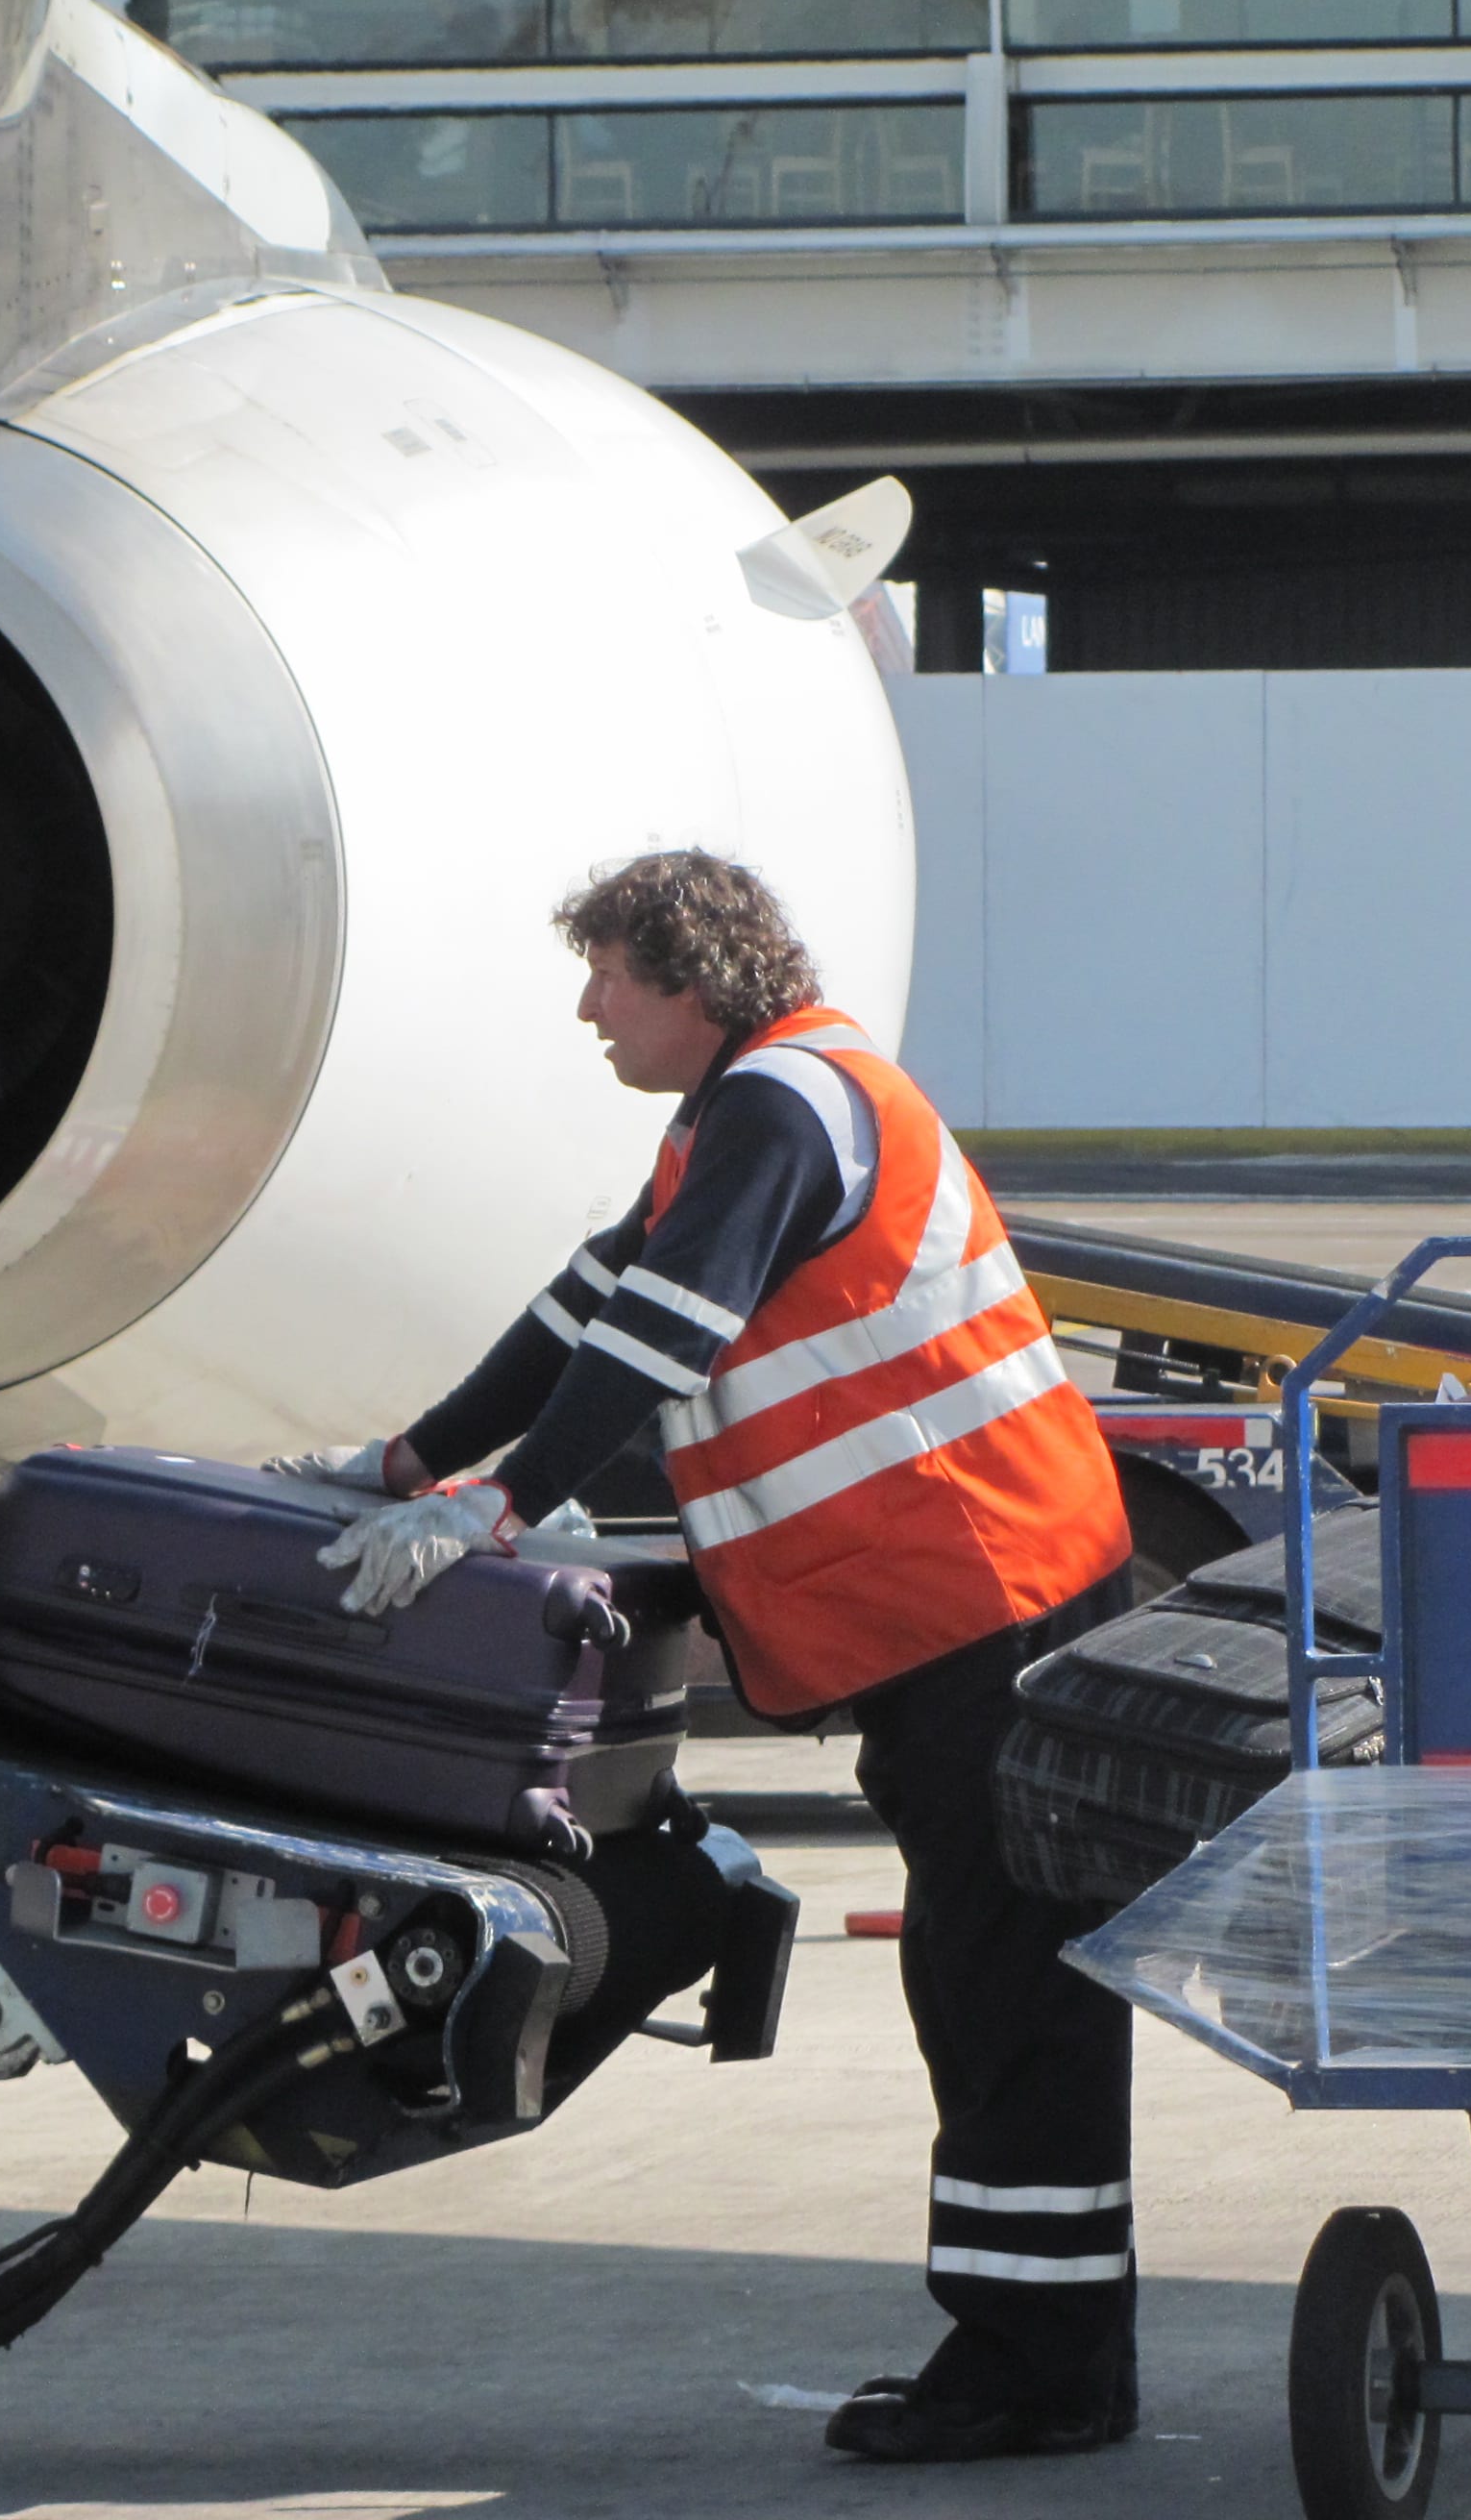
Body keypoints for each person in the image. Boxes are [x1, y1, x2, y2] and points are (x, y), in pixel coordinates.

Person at [281, 849, 1140, 2463]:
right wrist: (405, 1465)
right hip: (949, 1614)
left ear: (694, 980)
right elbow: (579, 1312)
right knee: (978, 1974)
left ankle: (1046, 2370)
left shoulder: (783, 1109)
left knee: (1008, 1985)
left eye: (609, 974)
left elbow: (658, 1336)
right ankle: (1041, 2348)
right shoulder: (736, 1117)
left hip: (988, 1602)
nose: (588, 1008)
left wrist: (501, 1505)